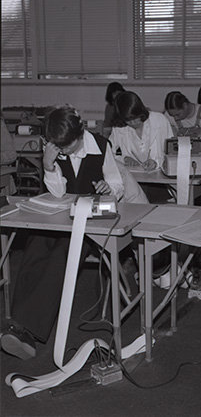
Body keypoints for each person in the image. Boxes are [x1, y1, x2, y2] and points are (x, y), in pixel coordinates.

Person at [1, 107, 126, 360]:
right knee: (35, 246)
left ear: (81, 134)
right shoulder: (54, 149)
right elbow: (57, 194)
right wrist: (48, 165)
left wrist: (108, 188)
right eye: (58, 147)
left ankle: (27, 329)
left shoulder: (101, 146)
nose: (63, 152)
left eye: (67, 147)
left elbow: (117, 184)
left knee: (61, 255)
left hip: (90, 225)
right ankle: (18, 322)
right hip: (59, 219)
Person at [110, 91, 174, 203]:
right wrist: (123, 159)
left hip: (160, 181)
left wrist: (156, 162)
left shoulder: (160, 120)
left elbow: (172, 153)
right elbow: (109, 154)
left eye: (135, 117)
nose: (133, 122)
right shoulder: (119, 128)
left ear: (140, 111)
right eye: (128, 120)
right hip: (135, 181)